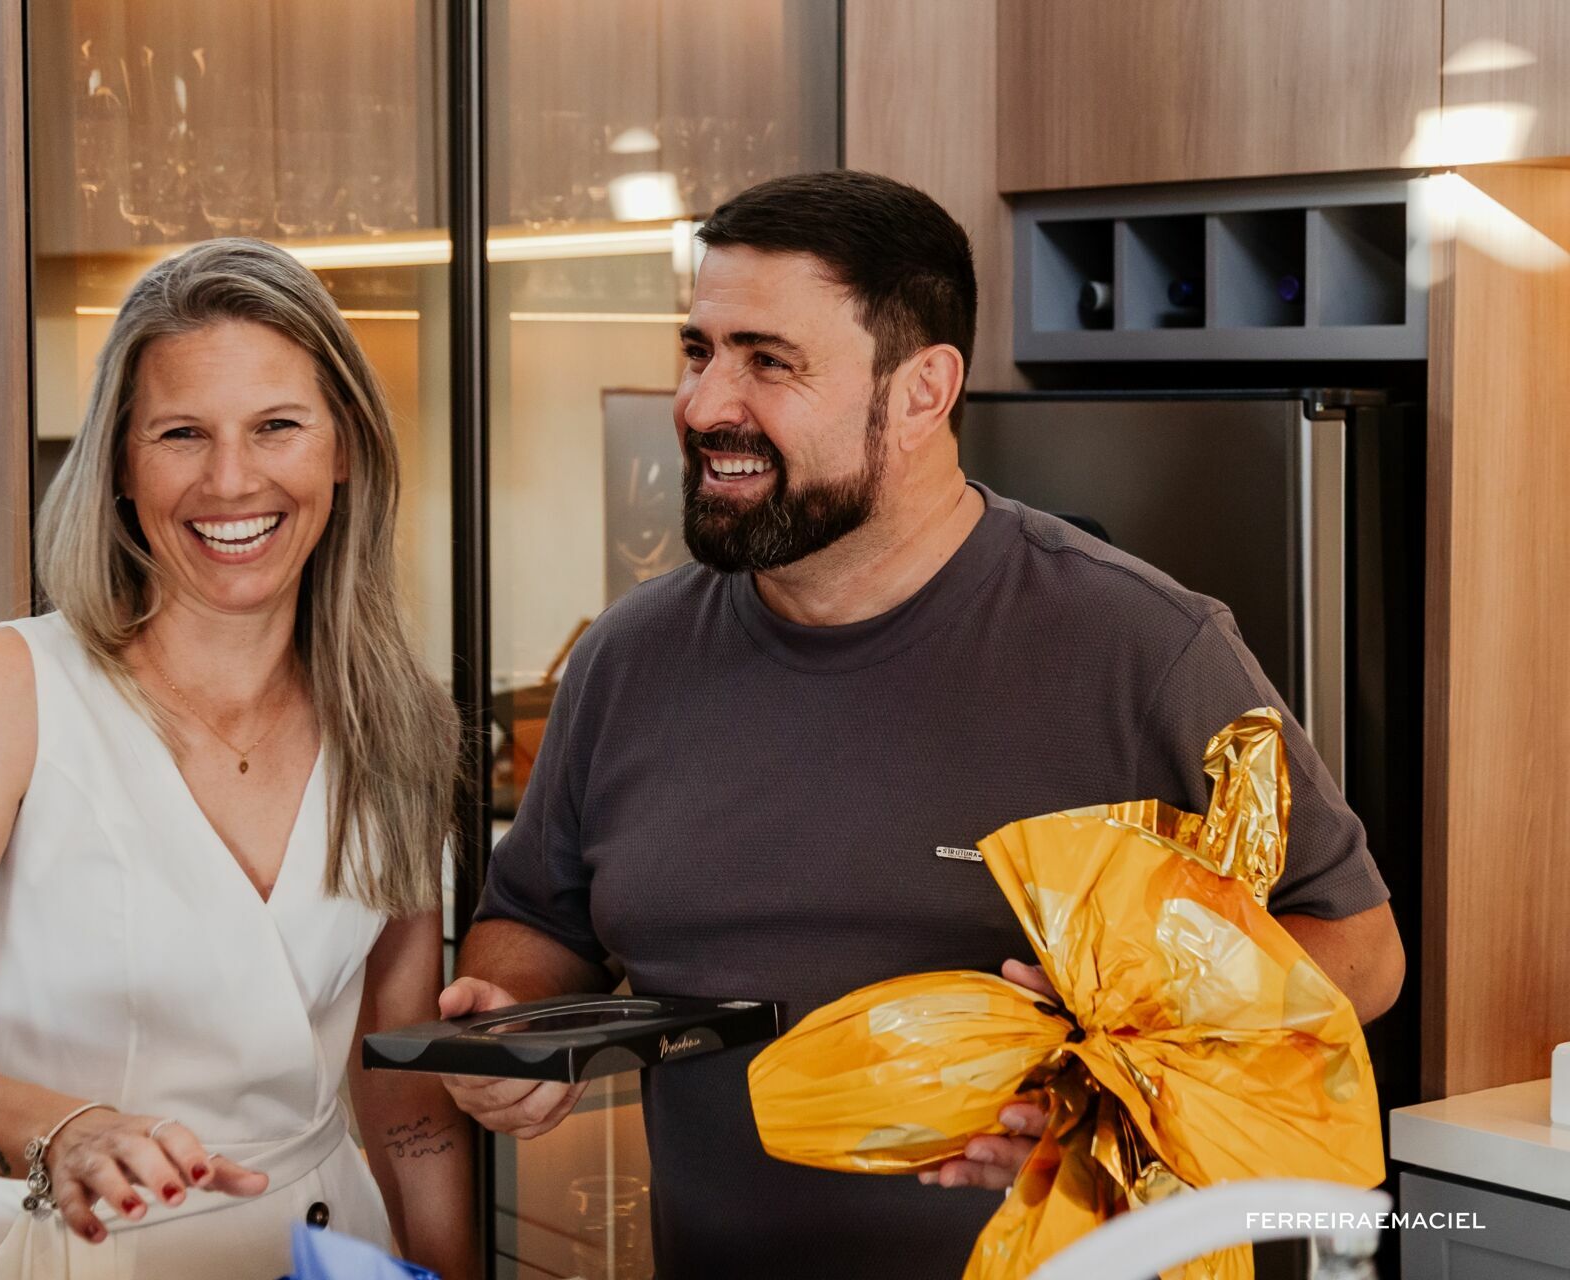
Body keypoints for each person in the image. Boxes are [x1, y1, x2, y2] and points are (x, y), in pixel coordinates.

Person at [440, 171, 1405, 1278]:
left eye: (768, 360)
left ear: (921, 390)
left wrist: (1108, 1078)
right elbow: (534, 922)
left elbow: (1360, 952)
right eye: (698, 351)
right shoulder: (629, 657)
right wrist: (504, 1024)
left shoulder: (1144, 645)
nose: (704, 405)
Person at [0, 238, 475, 1280]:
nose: (231, 480)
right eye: (182, 433)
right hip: (85, 1254)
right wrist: (64, 1130)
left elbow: (401, 1077)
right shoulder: (13, 686)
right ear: (122, 467)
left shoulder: (403, 721)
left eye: (277, 426)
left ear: (344, 448)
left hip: (331, 1247)